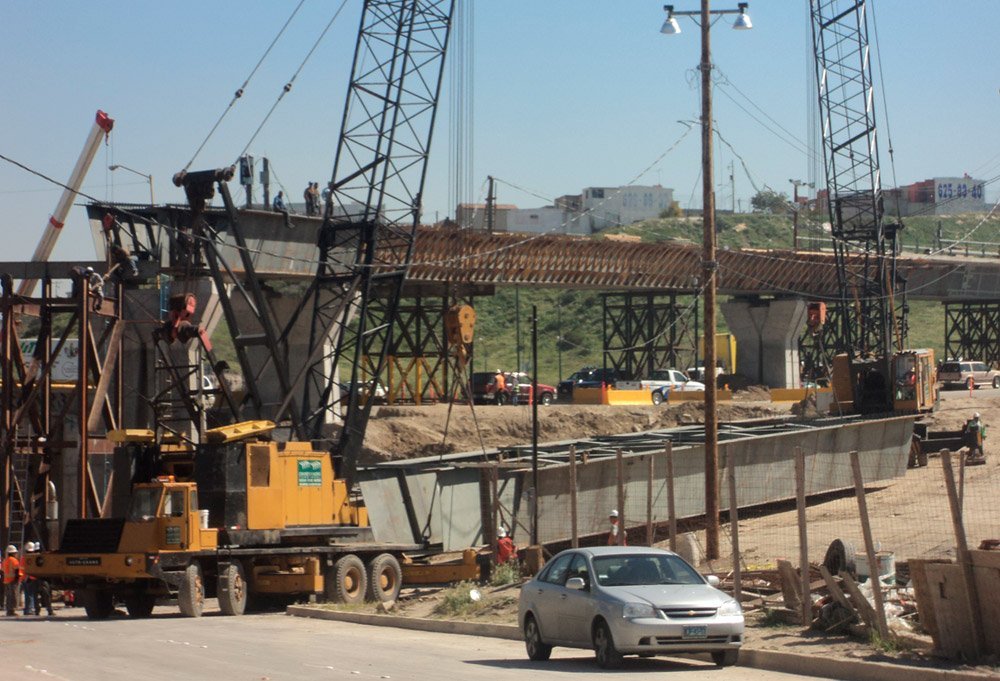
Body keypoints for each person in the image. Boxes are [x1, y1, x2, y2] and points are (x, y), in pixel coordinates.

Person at [3, 544, 20, 616]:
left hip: (6, 580)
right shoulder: (14, 560)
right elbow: (17, 570)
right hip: (12, 581)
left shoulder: (5, 560)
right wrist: (17, 579)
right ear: (13, 553)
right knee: (13, 596)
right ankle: (11, 611)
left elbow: (2, 570)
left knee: (8, 596)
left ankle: (8, 610)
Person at [21, 542, 37, 616]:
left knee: (27, 595)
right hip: (31, 578)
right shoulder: (33, 558)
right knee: (30, 595)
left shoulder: (23, 558)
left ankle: (27, 609)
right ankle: (29, 609)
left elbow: (21, 569)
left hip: (24, 578)